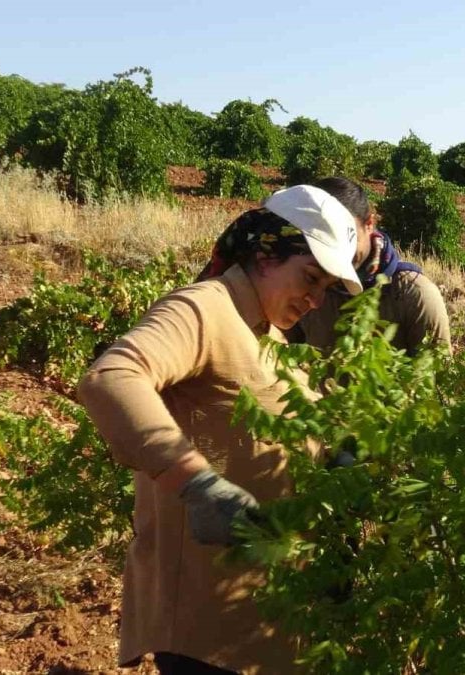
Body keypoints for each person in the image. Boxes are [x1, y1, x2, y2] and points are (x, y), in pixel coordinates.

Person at [78, 185, 363, 674]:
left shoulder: (268, 334)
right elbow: (112, 377)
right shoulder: (205, 309)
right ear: (266, 254)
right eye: (310, 278)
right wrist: (195, 482)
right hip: (203, 628)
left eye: (326, 289)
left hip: (257, 622)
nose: (316, 300)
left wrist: (332, 460)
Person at [289, 176, 451, 356]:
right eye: (326, 241)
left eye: (348, 241)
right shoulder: (303, 285)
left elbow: (437, 377)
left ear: (369, 224)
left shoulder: (414, 296)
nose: (338, 255)